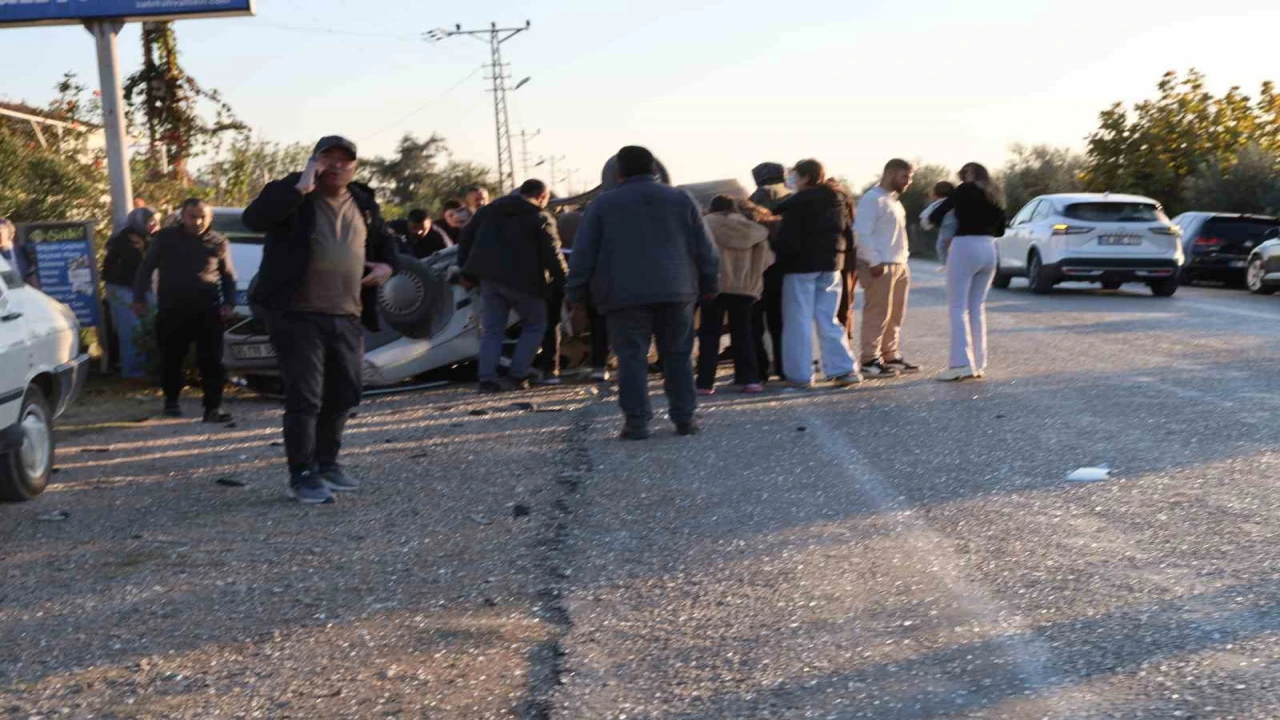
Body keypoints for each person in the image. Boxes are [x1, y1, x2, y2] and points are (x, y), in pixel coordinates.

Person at [242, 135, 400, 505]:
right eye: (328, 157)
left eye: (344, 159)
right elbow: (254, 220)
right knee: (305, 396)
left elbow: (385, 242)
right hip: (296, 313)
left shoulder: (363, 200)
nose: (336, 164)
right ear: (314, 161)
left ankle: (327, 463)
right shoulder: (289, 192)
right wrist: (300, 187)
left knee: (345, 391)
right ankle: (302, 474)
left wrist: (387, 265)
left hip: (346, 312)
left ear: (354, 167)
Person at [566, 145, 719, 440]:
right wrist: (710, 284)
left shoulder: (602, 204)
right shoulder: (681, 199)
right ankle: (684, 418)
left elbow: (583, 254)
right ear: (655, 170)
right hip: (677, 291)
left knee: (632, 357)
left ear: (618, 173)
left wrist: (575, 291)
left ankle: (636, 423)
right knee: (677, 355)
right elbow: (705, 248)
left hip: (623, 295)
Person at [458, 178, 567, 392]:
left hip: (489, 280)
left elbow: (466, 238)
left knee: (492, 331)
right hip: (525, 283)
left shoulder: (488, 211)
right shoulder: (540, 217)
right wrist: (565, 282)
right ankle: (516, 376)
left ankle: (486, 379)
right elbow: (552, 255)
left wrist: (466, 271)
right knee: (535, 325)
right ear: (542, 196)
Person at [132, 198, 236, 421]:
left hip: (208, 309)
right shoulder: (165, 238)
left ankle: (213, 407)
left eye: (203, 217)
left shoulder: (218, 242)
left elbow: (228, 277)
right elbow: (145, 269)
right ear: (182, 215)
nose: (198, 221)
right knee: (171, 358)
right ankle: (171, 402)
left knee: (212, 361)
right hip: (173, 309)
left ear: (210, 218)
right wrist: (139, 298)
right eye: (192, 216)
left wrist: (229, 303)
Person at [771, 159, 860, 388]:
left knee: (798, 320)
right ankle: (843, 369)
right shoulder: (838, 199)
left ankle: (800, 374)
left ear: (806, 177)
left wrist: (779, 259)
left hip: (800, 266)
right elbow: (848, 233)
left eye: (794, 175)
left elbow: (788, 238)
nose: (791, 179)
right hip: (832, 265)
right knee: (828, 318)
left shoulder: (796, 203)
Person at [928, 163, 1006, 381]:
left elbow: (936, 215)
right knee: (976, 307)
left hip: (964, 246)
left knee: (957, 307)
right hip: (990, 249)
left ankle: (960, 364)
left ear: (966, 175)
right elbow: (1001, 228)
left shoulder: (963, 190)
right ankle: (978, 363)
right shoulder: (995, 192)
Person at [697, 196, 774, 395]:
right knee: (744, 333)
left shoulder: (703, 225)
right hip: (746, 288)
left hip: (713, 287)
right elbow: (768, 260)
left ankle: (705, 383)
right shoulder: (754, 229)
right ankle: (749, 380)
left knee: (709, 334)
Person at [855, 158, 919, 378]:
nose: (908, 182)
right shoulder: (871, 199)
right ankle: (869, 360)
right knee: (877, 313)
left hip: (899, 263)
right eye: (905, 176)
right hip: (879, 265)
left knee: (895, 314)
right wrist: (873, 261)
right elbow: (862, 232)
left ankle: (890, 355)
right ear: (891, 173)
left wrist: (904, 261)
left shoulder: (895, 201)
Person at [103, 207, 159, 378]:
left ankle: (149, 367)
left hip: (141, 287)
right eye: (151, 221)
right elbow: (139, 260)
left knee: (150, 325)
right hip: (122, 288)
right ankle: (133, 372)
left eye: (156, 221)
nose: (154, 225)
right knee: (131, 328)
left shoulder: (146, 237)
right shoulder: (129, 236)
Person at [748, 162, 790, 381]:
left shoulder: (759, 196)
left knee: (756, 319)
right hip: (786, 265)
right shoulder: (792, 195)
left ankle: (760, 369)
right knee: (779, 320)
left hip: (760, 264)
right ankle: (783, 366)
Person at [920, 181, 958, 268]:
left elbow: (926, 218)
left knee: (943, 246)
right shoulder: (956, 202)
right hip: (954, 225)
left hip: (947, 225)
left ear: (935, 194)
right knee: (946, 244)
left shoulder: (938, 203)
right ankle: (950, 264)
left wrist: (927, 225)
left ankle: (949, 265)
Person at [0, 218, 38, 288]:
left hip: (23, 292)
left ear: (9, 232)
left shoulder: (23, 251)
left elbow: (32, 277)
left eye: (2, 230)